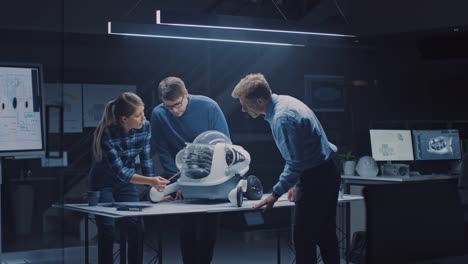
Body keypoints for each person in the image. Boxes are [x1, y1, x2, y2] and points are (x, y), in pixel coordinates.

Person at [231, 73, 341, 264]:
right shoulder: (285, 101)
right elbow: (301, 156)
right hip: (326, 171)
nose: (243, 109)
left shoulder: (283, 118)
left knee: (303, 238)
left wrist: (274, 194)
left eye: (245, 104)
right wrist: (296, 181)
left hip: (316, 178)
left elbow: (295, 163)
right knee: (326, 233)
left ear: (259, 100)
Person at [150, 77, 230, 264]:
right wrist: (180, 182)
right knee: (187, 228)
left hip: (212, 176)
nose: (175, 111)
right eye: (169, 107)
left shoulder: (209, 107)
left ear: (186, 94)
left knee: (209, 228)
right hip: (182, 177)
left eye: (177, 105)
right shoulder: (158, 114)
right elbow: (162, 151)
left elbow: (225, 145)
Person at [89, 92, 169, 264]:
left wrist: (155, 189)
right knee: (107, 229)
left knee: (136, 226)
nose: (143, 118)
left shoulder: (146, 126)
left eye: (143, 113)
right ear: (124, 119)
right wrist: (151, 181)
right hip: (103, 182)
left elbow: (146, 161)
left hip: (126, 182)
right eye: (138, 115)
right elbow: (120, 171)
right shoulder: (107, 134)